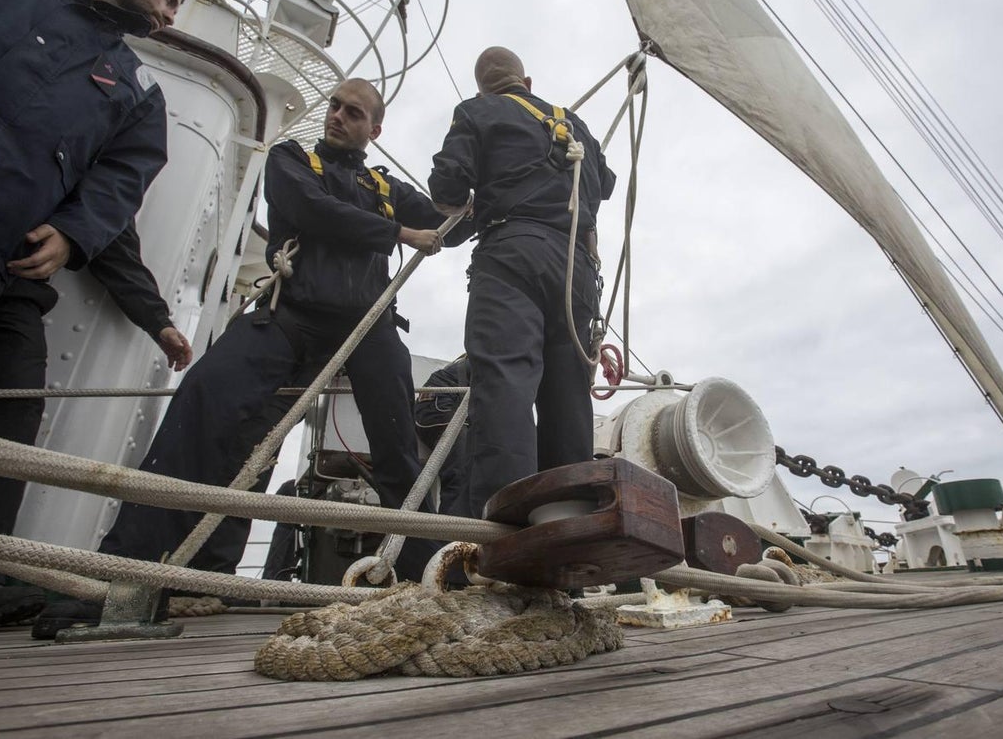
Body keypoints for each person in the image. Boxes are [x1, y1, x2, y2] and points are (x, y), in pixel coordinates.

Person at [34, 78, 446, 637]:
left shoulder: (386, 186)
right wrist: (399, 231)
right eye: (335, 106)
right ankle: (129, 575)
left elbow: (449, 219)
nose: (337, 116)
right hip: (291, 312)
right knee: (206, 403)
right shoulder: (292, 159)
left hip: (368, 323)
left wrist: (470, 171)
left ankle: (434, 586)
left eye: (353, 113)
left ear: (374, 129)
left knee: (398, 451)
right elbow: (311, 209)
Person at [0, 0, 185, 629]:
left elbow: (120, 182)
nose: (172, 15)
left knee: (10, 400)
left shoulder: (135, 89)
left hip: (5, 261)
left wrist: (73, 232)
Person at [428, 47, 616, 518]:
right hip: (577, 274)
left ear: (482, 89)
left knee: (506, 384)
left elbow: (446, 189)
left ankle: (502, 526)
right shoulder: (575, 124)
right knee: (569, 398)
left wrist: (473, 199)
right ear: (526, 82)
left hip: (512, 256)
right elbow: (606, 183)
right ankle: (566, 520)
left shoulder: (477, 111)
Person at [414, 355, 471, 517]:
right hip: (440, 404)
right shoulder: (496, 362)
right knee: (460, 472)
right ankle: (451, 527)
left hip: (444, 403)